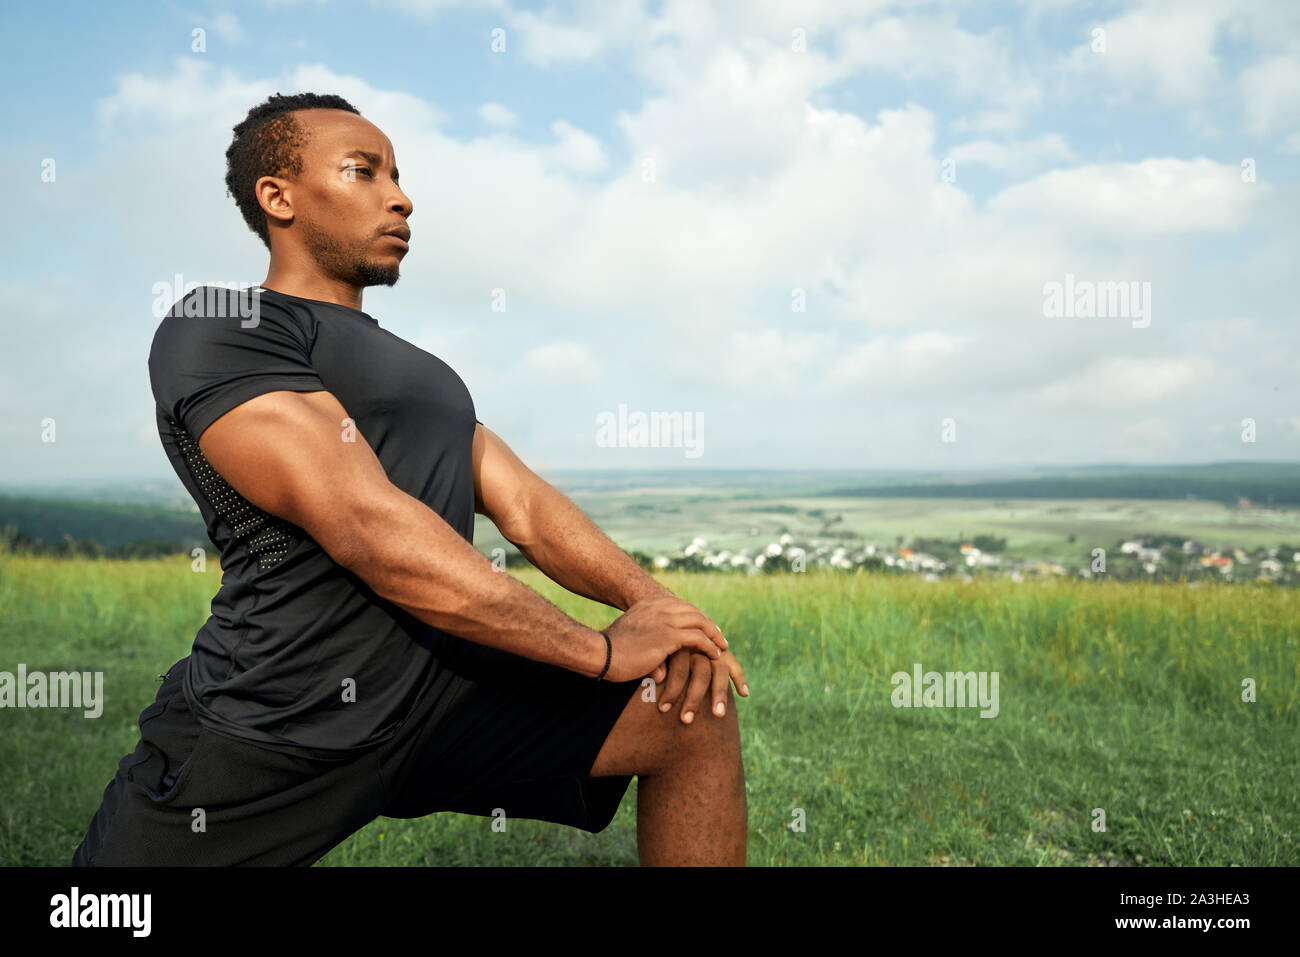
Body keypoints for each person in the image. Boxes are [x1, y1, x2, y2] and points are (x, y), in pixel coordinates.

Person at [71, 91, 748, 867]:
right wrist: (596, 652)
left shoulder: (424, 376)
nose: (401, 196)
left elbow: (524, 507)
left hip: (442, 696)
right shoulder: (223, 323)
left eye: (398, 173)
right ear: (278, 196)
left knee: (691, 712)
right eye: (364, 171)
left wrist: (659, 609)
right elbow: (369, 527)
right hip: (276, 717)